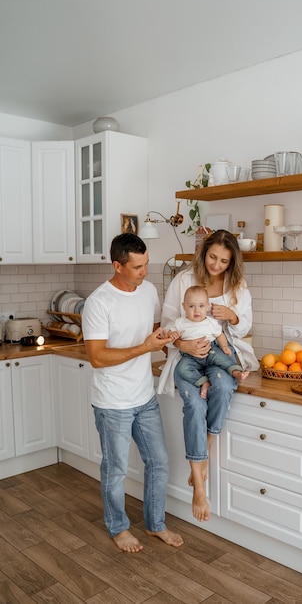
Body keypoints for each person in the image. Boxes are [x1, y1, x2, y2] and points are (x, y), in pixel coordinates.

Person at [82, 232, 184, 553]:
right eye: (138, 267)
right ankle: (118, 527)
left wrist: (170, 340)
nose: (145, 272)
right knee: (116, 470)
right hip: (113, 403)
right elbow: (98, 357)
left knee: (159, 462)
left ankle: (155, 525)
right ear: (117, 266)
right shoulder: (99, 303)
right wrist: (145, 347)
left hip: (145, 396)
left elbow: (152, 329)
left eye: (147, 264)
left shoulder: (148, 290)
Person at [158, 229, 259, 522]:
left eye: (224, 261)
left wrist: (233, 316)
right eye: (212, 257)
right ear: (203, 253)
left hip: (220, 354)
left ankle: (205, 450)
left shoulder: (237, 286)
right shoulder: (184, 280)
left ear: (232, 263)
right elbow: (167, 326)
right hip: (187, 356)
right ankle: (199, 485)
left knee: (224, 386)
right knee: (193, 403)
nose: (216, 265)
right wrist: (183, 344)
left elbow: (244, 328)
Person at [164, 285, 249, 399]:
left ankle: (236, 372)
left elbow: (220, 334)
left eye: (201, 306)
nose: (196, 310)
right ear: (184, 307)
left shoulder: (211, 322)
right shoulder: (180, 323)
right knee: (182, 369)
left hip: (211, 350)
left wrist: (224, 346)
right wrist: (172, 335)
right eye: (191, 306)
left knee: (223, 358)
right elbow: (169, 334)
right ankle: (203, 382)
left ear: (207, 306)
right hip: (189, 356)